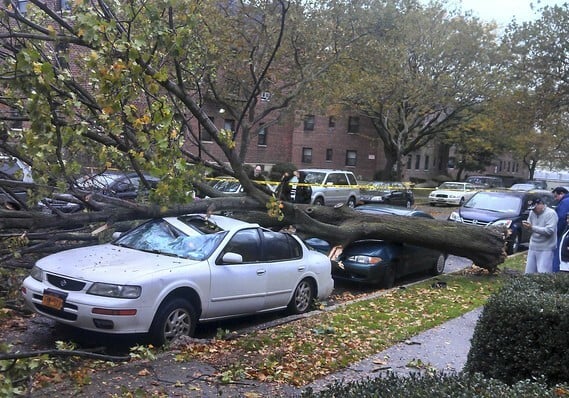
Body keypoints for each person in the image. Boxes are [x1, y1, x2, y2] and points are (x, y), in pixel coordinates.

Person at [522, 197, 558, 274]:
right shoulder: (532, 213)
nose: (533, 210)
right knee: (529, 273)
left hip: (546, 248)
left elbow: (549, 231)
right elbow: (530, 225)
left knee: (543, 272)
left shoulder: (551, 214)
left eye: (535, 208)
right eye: (532, 209)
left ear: (541, 204)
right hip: (533, 246)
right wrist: (527, 227)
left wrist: (532, 227)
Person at [552, 186, 569, 272]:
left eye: (556, 196)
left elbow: (561, 218)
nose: (556, 199)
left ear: (562, 193)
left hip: (563, 232)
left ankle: (556, 276)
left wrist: (556, 232)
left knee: (558, 255)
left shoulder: (565, 203)